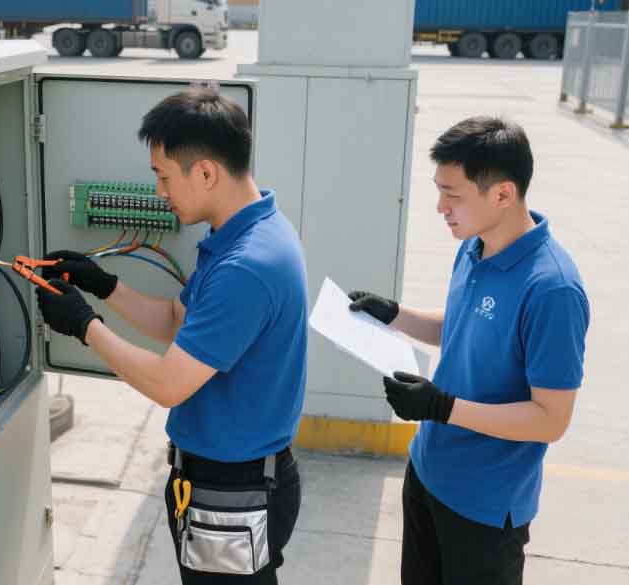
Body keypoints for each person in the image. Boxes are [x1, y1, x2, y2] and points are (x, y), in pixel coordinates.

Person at [36, 88, 307, 584]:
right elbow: (175, 320)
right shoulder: (240, 234)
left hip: (233, 486)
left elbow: (168, 384)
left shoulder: (247, 265)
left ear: (205, 172)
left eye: (163, 177)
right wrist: (101, 285)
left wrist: (83, 325)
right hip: (219, 477)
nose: (160, 191)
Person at [348, 116, 590, 585]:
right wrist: (395, 314)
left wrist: (442, 406)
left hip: (485, 504)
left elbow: (551, 418)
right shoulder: (475, 246)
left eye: (452, 194)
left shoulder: (553, 290)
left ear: (502, 193)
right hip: (428, 472)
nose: (440, 206)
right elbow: (465, 325)